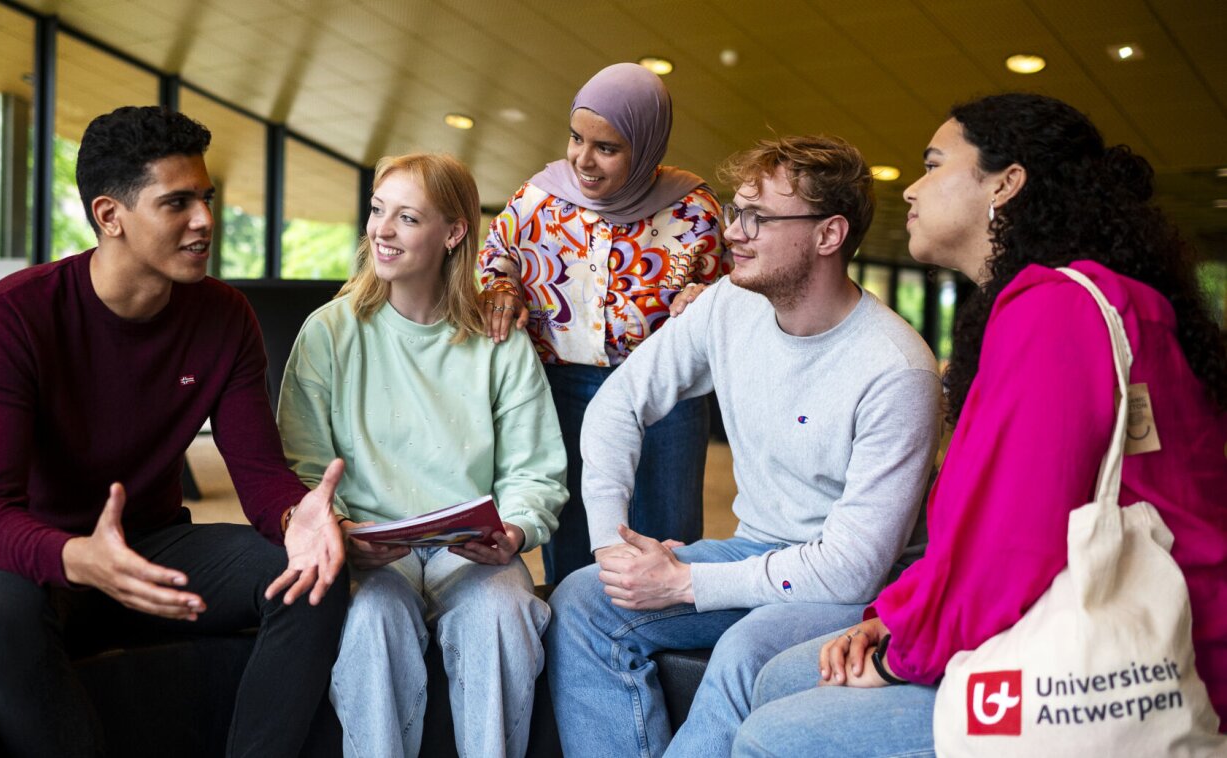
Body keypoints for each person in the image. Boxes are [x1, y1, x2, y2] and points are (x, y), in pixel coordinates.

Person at [729, 93, 1227, 755]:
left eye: (933, 165)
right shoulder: (1105, 295)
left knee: (773, 735)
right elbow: (982, 532)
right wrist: (894, 619)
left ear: (1006, 183)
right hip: (1151, 626)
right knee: (784, 674)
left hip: (1134, 667)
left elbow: (1017, 540)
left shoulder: (1053, 310)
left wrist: (902, 654)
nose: (910, 188)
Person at [0, 106, 349, 758]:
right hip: (46, 555)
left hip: (159, 543)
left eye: (207, 199)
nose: (205, 221)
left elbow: (257, 473)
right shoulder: (15, 314)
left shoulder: (225, 316)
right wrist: (79, 557)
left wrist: (293, 517)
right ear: (110, 216)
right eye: (177, 203)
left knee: (311, 576)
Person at [544, 134, 942, 758]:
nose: (734, 232)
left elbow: (852, 566)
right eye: (737, 211)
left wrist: (683, 584)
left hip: (855, 581)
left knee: (747, 649)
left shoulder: (896, 368)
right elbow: (617, 405)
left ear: (828, 235)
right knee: (582, 598)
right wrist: (612, 547)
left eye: (759, 217)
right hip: (756, 544)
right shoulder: (729, 305)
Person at [277, 152, 567, 758]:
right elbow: (301, 469)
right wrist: (341, 531)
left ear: (453, 232)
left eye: (407, 218)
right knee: (371, 621)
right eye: (378, 211)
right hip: (371, 548)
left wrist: (515, 530)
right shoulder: (329, 332)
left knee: (505, 613)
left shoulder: (498, 342)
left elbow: (533, 469)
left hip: (472, 551)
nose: (381, 231)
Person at [478, 62, 724, 585]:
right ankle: (576, 646)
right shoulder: (538, 200)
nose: (583, 160)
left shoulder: (694, 210)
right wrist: (501, 288)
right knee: (574, 536)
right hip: (564, 388)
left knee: (666, 539)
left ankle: (661, 657)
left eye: (606, 148)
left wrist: (702, 297)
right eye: (575, 139)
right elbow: (496, 256)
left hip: (667, 394)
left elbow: (727, 289)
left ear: (647, 146)